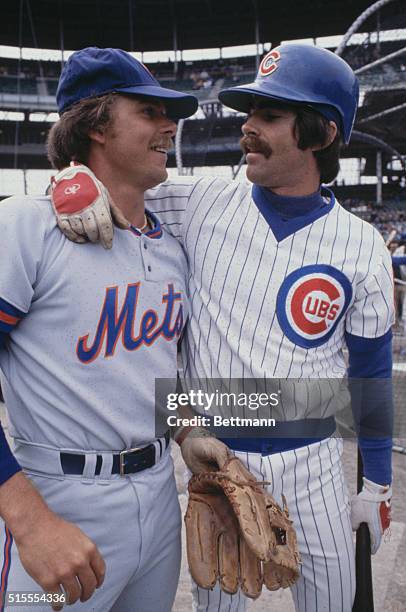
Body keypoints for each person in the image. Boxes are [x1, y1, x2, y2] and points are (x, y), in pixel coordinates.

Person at [51, 44, 394, 612]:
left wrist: (377, 481)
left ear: (322, 133)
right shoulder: (197, 199)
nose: (247, 127)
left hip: (315, 464)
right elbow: (102, 171)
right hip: (214, 457)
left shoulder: (362, 244)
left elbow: (372, 371)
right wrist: (71, 183)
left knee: (336, 602)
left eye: (269, 115)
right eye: (249, 112)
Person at [0, 47, 200, 611]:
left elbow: (149, 375)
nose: (170, 125)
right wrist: (30, 521)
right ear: (96, 126)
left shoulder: (170, 247)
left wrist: (191, 437)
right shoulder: (24, 226)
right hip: (58, 495)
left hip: (160, 494)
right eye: (149, 111)